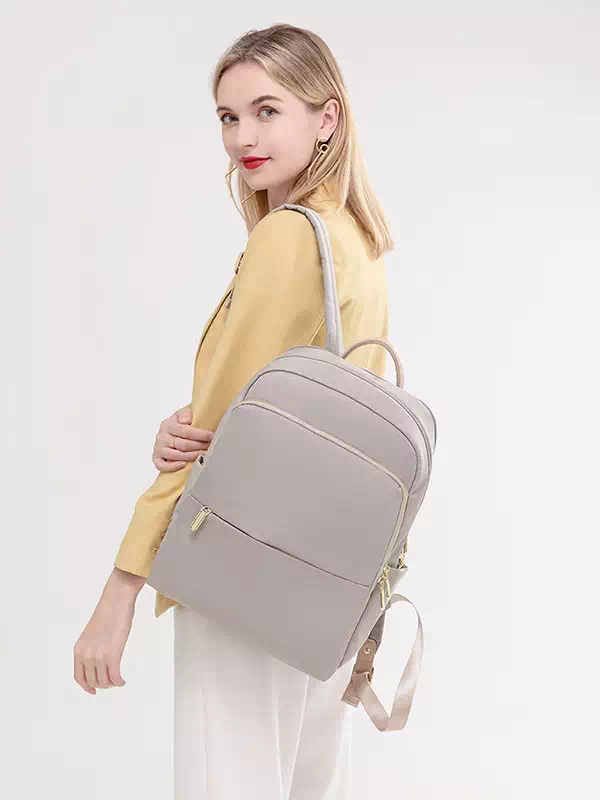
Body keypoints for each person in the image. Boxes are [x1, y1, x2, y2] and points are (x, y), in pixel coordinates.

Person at [73, 23, 395, 800]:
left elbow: (211, 442)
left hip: (245, 572)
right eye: (228, 117)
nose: (242, 138)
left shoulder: (287, 238)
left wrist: (120, 590)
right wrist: (201, 416)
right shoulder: (355, 238)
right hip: (334, 580)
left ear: (327, 117)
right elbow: (310, 412)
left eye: (266, 111)